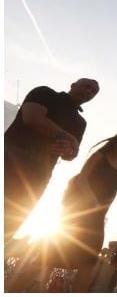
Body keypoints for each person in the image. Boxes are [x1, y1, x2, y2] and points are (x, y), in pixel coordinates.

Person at [4, 78, 100, 243]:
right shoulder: (45, 93)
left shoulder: (80, 122)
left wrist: (67, 149)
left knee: (10, 221)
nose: (89, 92)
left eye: (93, 92)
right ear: (73, 84)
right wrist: (68, 137)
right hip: (11, 158)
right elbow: (32, 117)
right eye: (87, 87)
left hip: (40, 173)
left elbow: (71, 154)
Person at [49, 130, 117, 292]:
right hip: (80, 207)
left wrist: (104, 209)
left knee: (90, 260)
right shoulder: (99, 156)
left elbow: (114, 189)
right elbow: (82, 177)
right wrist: (90, 198)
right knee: (54, 250)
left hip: (99, 213)